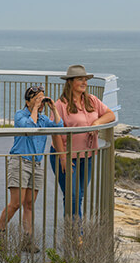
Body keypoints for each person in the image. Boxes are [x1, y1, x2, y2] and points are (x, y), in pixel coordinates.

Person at [0, 84, 63, 253]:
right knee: (16, 203)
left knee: (29, 204)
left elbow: (60, 127)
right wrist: (35, 109)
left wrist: (53, 108)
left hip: (37, 164)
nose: (41, 102)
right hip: (20, 162)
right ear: (28, 101)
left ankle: (27, 241)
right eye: (37, 99)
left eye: (43, 99)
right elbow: (29, 129)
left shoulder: (44, 118)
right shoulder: (20, 115)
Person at [49, 64, 115, 218]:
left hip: (87, 156)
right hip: (66, 156)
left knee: (78, 195)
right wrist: (63, 157)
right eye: (80, 79)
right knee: (73, 195)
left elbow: (110, 115)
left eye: (85, 79)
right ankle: (77, 234)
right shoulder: (61, 105)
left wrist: (97, 123)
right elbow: (55, 132)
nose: (84, 82)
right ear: (70, 82)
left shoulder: (92, 100)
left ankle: (71, 231)